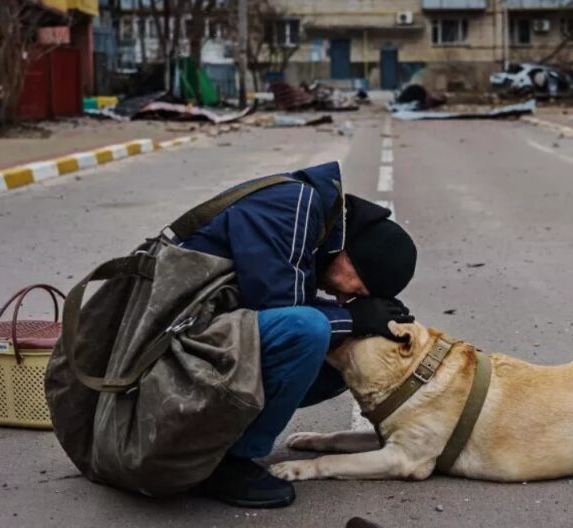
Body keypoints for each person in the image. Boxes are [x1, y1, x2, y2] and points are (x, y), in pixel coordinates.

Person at [179, 161, 418, 508]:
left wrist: (355, 323)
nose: (343, 297)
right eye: (358, 289)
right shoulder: (296, 206)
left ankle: (216, 437)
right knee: (311, 329)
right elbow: (281, 311)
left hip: (201, 335)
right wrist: (352, 317)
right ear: (354, 258)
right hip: (171, 341)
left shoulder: (313, 223)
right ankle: (230, 464)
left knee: (343, 347)